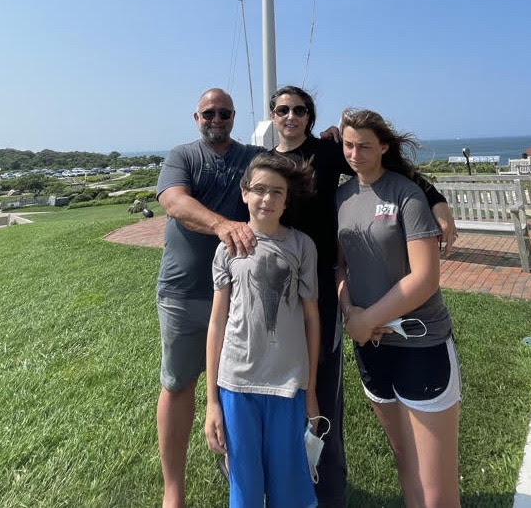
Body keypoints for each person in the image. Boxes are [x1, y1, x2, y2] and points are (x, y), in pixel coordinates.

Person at [267, 86, 458, 507]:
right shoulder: (263, 163)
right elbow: (343, 260)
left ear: (310, 116)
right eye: (283, 109)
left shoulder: (328, 154)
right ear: (272, 114)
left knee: (324, 393)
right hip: (278, 293)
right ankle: (280, 480)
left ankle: (328, 490)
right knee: (277, 387)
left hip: (341, 305)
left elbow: (391, 173)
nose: (291, 115)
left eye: (300, 109)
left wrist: (436, 198)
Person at [334, 108, 461, 507]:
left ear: (384, 147)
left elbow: (425, 277)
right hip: (371, 348)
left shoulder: (407, 194)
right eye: (349, 145)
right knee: (405, 461)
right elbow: (339, 263)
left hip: (420, 345)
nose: (354, 154)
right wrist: (350, 312)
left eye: (365, 146)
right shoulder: (340, 197)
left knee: (436, 480)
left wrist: (368, 318)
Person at [154, 88, 263, 508]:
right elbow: (174, 202)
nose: (216, 118)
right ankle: (173, 491)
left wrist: (327, 138)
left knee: (239, 386)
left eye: (225, 113)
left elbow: (302, 169)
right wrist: (222, 225)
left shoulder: (252, 156)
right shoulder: (182, 156)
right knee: (179, 385)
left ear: (234, 117)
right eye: (208, 113)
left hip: (240, 294)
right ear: (196, 117)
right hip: (185, 292)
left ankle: (237, 467)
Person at [204, 153, 321, 508]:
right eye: (259, 190)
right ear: (244, 194)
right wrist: (211, 402)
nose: (267, 199)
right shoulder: (227, 249)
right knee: (244, 485)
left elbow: (311, 318)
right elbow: (217, 322)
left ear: (287, 201)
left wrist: (311, 390)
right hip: (236, 384)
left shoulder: (302, 246)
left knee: (290, 486)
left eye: (277, 192)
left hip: (287, 384)